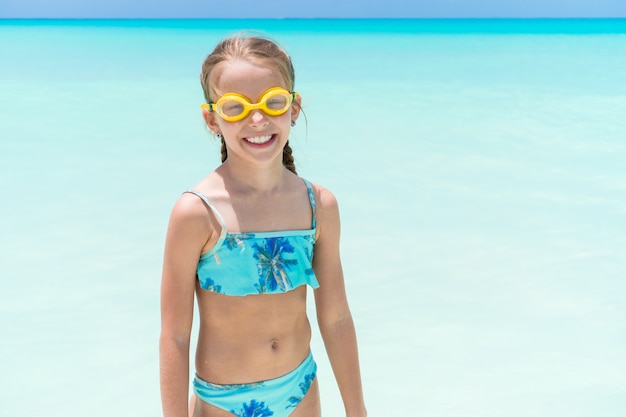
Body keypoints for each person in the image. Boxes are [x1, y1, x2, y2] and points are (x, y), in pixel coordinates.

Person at [159, 34, 367, 417]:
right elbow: (175, 335)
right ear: (212, 119)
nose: (257, 119)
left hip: (300, 390)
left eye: (273, 102)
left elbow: (336, 318)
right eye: (236, 107)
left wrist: (358, 411)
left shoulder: (318, 206)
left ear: (294, 108)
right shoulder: (197, 213)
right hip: (222, 401)